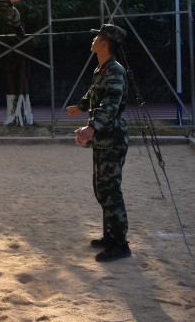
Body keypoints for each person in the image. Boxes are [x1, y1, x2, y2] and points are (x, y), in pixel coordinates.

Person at [67, 23, 131, 262]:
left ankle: (121, 244)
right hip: (104, 140)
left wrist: (92, 127)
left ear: (105, 44)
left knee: (111, 192)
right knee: (101, 190)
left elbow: (111, 105)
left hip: (112, 139)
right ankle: (110, 236)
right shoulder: (101, 70)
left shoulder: (114, 71)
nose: (93, 40)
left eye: (97, 38)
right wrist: (80, 107)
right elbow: (95, 95)